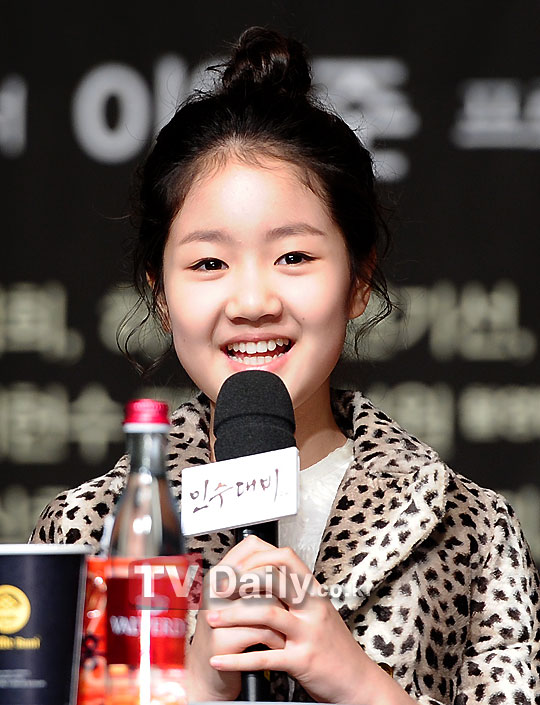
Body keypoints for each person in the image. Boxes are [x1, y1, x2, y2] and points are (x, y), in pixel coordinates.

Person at [31, 27, 539, 705]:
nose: (253, 302)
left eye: (293, 257)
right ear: (160, 293)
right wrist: (195, 684)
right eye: (209, 262)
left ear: (359, 280)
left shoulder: (469, 527)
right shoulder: (91, 531)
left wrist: (361, 685)